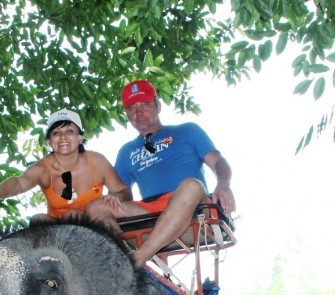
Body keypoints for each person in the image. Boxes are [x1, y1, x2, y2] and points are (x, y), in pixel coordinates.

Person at [86, 80, 236, 268]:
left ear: (158, 105)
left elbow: (218, 162)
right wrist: (113, 198)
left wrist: (223, 184)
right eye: (132, 108)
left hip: (189, 202)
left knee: (192, 185)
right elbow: (122, 191)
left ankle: (139, 259)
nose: (138, 112)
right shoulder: (127, 151)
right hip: (150, 209)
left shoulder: (188, 131)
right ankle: (120, 258)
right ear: (127, 115)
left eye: (145, 105)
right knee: (96, 207)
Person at [0, 109, 131, 220]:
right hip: (58, 233)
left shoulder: (97, 161)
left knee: (73, 215)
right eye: (56, 133)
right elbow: (19, 182)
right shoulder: (43, 169)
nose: (62, 137)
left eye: (69, 131)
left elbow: (124, 191)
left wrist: (114, 197)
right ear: (48, 141)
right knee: (38, 219)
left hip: (95, 225)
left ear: (80, 138)